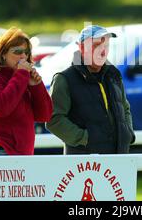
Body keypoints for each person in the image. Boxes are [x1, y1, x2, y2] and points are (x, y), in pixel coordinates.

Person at [46, 25, 135, 154]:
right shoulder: (64, 79)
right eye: (96, 46)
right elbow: (53, 120)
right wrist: (86, 139)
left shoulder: (114, 75)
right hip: (84, 166)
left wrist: (127, 133)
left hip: (119, 158)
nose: (103, 51)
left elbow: (125, 108)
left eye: (106, 46)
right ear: (81, 48)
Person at [0, 27, 53, 156]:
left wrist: (36, 86)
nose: (23, 56)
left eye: (26, 52)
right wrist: (21, 74)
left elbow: (45, 115)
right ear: (2, 54)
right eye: (17, 51)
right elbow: (2, 107)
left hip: (22, 154)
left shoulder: (21, 79)